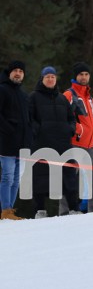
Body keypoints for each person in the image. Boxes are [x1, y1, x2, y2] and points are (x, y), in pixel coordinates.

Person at [28, 67, 79, 218]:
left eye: (53, 77)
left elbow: (72, 118)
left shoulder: (62, 98)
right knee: (41, 177)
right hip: (42, 144)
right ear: (42, 79)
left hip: (63, 143)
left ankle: (73, 208)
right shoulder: (33, 97)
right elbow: (29, 119)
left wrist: (69, 129)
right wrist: (39, 130)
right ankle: (40, 210)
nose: (50, 79)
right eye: (47, 77)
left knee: (69, 176)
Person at [61, 62, 93, 215]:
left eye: (86, 74)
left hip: (90, 144)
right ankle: (65, 212)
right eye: (81, 75)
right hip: (74, 143)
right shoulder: (69, 95)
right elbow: (64, 117)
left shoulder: (89, 97)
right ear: (75, 76)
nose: (84, 77)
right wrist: (80, 130)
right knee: (71, 180)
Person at [0, 60, 32, 220]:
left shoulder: (23, 94)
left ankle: (10, 210)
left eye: (21, 71)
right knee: (7, 176)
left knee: (16, 178)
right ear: (10, 72)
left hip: (22, 144)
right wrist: (8, 131)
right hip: (6, 142)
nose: (18, 73)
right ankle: (5, 210)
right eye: (15, 71)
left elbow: (27, 120)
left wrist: (28, 139)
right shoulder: (3, 89)